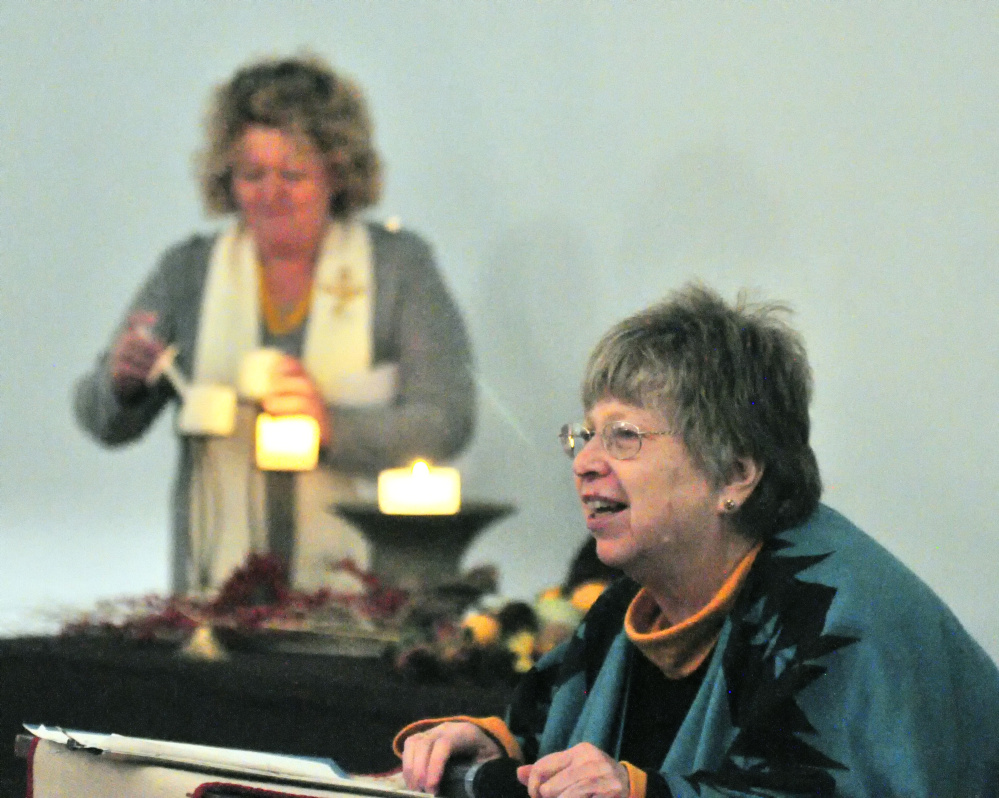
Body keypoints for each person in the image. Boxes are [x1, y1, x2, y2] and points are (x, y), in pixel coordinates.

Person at [397, 284, 999, 798]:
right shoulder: (634, 602)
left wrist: (640, 791)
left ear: (736, 473)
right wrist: (485, 743)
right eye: (585, 435)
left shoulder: (838, 614)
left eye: (624, 436)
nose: (586, 463)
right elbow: (546, 731)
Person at [74, 54, 475, 594]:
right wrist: (121, 383)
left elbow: (447, 418)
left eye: (293, 174)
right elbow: (101, 419)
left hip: (361, 598)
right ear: (225, 176)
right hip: (212, 599)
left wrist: (330, 427)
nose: (271, 196)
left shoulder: (398, 268)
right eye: (251, 174)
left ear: (337, 172)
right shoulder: (187, 271)